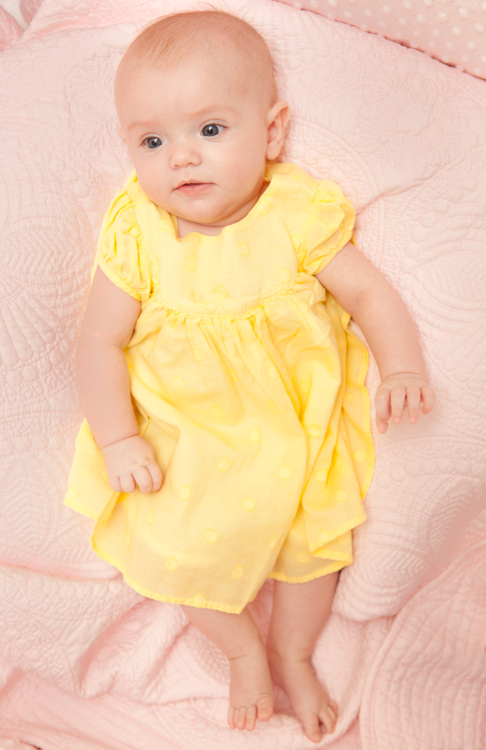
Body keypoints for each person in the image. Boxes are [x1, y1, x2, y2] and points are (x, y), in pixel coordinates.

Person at [64, 10, 435, 744]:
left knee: (314, 546)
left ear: (270, 132)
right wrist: (118, 440)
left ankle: (293, 652)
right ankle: (241, 652)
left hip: (296, 427)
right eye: (152, 141)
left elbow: (368, 295)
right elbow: (98, 342)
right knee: (173, 546)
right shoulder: (139, 232)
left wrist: (401, 366)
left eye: (209, 130)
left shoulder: (296, 215)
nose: (181, 158)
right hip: (187, 435)